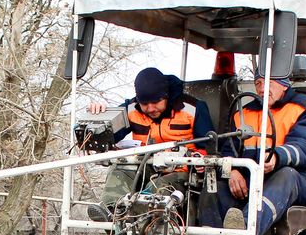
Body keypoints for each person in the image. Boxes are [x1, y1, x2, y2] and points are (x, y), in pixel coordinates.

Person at [186, 71, 306, 235]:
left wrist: (278, 156)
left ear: (283, 84)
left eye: (269, 83)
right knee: (215, 179)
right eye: (258, 83)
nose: (262, 89)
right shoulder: (243, 114)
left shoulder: (305, 108)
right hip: (255, 177)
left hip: (304, 181)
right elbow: (229, 149)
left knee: (286, 175)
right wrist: (232, 169)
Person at [87, 67, 214, 202]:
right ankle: (111, 209)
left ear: (166, 95)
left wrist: (200, 158)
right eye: (145, 104)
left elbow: (210, 146)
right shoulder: (130, 109)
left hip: (180, 172)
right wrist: (98, 117)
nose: (151, 108)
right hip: (144, 166)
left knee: (157, 188)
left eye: (155, 102)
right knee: (120, 170)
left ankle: (146, 216)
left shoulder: (193, 109)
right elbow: (103, 136)